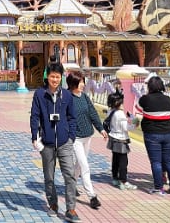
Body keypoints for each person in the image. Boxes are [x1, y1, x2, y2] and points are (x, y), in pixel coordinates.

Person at [30, 62, 80, 222]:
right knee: (49, 176)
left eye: (58, 77)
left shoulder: (66, 95)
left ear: (61, 78)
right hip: (47, 143)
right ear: (47, 77)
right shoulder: (39, 94)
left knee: (70, 176)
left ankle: (71, 209)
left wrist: (71, 136)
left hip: (65, 142)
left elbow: (72, 117)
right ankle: (53, 204)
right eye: (52, 76)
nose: (55, 79)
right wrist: (34, 136)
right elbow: (34, 116)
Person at [66, 71, 106, 210]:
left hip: (87, 135)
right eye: (80, 82)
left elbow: (93, 113)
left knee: (79, 165)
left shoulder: (84, 97)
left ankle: (72, 186)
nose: (83, 84)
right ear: (72, 84)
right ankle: (92, 196)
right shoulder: (66, 98)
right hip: (75, 138)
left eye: (83, 81)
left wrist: (101, 129)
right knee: (84, 166)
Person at [137, 75, 170, 195]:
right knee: (169, 161)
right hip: (169, 134)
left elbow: (138, 109)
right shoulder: (168, 99)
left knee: (156, 162)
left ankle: (158, 187)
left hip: (152, 134)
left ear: (149, 86)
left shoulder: (145, 99)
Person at [106, 92, 137, 191]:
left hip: (113, 138)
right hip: (121, 139)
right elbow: (126, 128)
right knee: (123, 162)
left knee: (115, 160)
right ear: (118, 103)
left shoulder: (110, 111)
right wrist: (135, 123)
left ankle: (115, 178)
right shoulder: (120, 114)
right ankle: (124, 182)